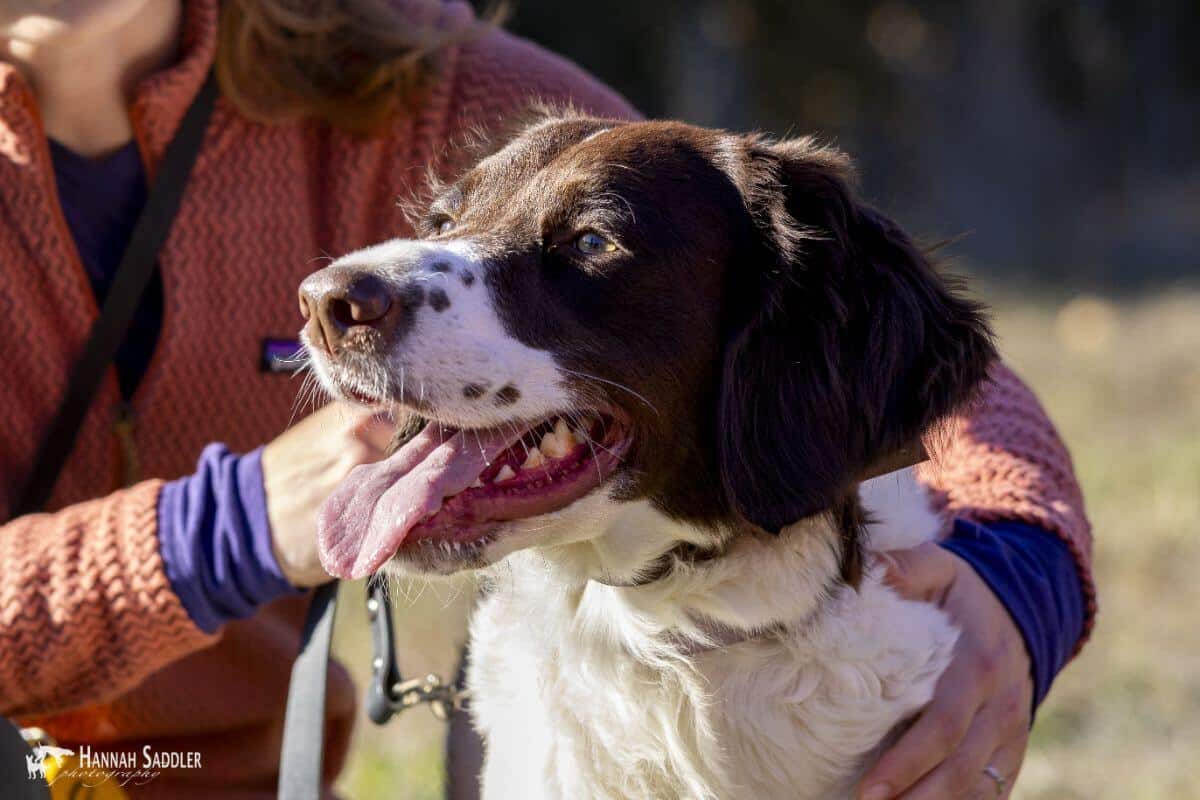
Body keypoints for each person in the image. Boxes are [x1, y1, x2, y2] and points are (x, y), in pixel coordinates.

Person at [0, 1, 1093, 797]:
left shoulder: (404, 78)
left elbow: (894, 353)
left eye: (587, 244)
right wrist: (222, 531)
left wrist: (1016, 578)